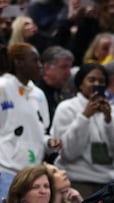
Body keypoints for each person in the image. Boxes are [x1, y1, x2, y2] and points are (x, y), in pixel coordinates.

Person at [50, 63, 114, 197]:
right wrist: (85, 116)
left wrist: (109, 121)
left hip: (107, 182)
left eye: (101, 81)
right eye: (91, 80)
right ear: (80, 84)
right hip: (76, 181)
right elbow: (68, 152)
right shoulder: (66, 108)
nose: (97, 84)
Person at [0, 43, 61, 200]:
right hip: (6, 170)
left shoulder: (39, 94)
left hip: (32, 174)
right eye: (35, 60)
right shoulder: (3, 87)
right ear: (19, 62)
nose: (40, 66)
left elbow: (41, 131)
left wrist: (49, 142)